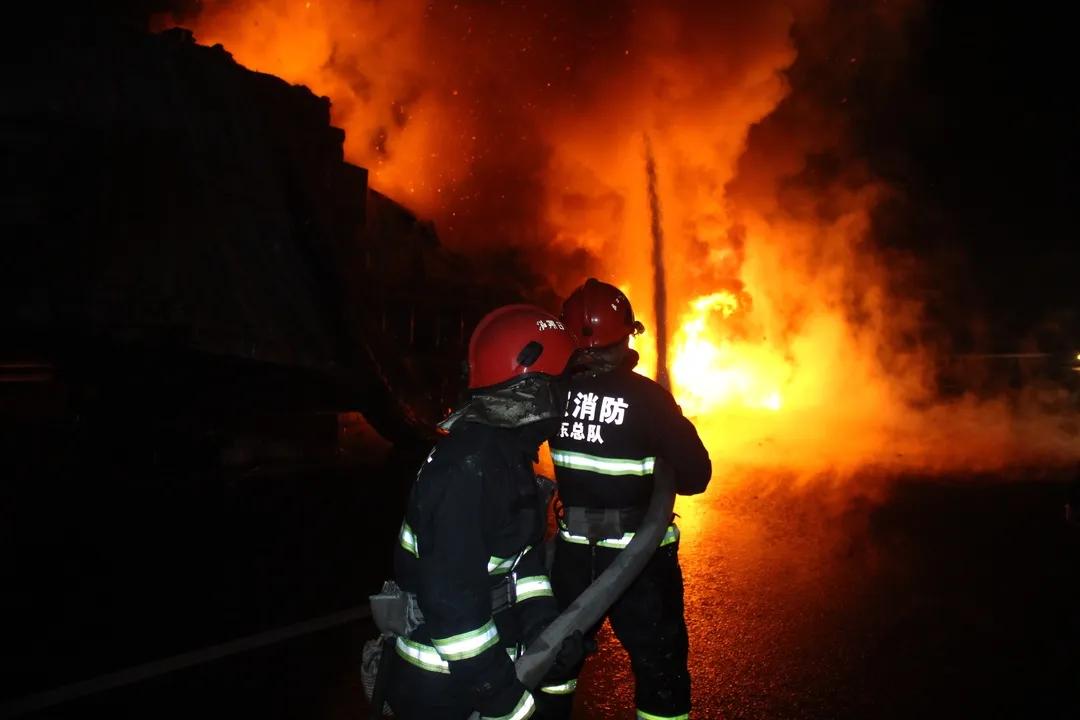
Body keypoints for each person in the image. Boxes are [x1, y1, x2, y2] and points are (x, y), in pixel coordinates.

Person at [385, 304, 582, 720]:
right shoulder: (469, 469)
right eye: (563, 382)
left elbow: (520, 561)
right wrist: (503, 701)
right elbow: (453, 609)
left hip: (483, 666)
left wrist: (542, 626)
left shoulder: (505, 456)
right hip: (444, 688)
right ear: (532, 388)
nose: (570, 395)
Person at [547, 278, 712, 720]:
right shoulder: (648, 399)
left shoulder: (553, 393)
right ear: (626, 335)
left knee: (554, 663)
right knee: (660, 673)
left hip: (572, 558)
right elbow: (698, 476)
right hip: (640, 564)